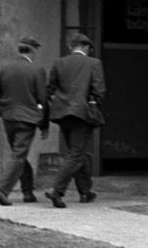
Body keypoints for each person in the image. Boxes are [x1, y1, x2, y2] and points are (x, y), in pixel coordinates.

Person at [43, 32, 105, 208]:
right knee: (76, 154)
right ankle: (57, 191)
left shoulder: (59, 62)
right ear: (86, 47)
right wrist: (95, 104)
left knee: (77, 152)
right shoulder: (94, 63)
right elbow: (99, 90)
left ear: (71, 47)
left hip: (62, 113)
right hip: (82, 113)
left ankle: (85, 191)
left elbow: (50, 89)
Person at [0, 35, 50, 206]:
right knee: (18, 155)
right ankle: (2, 189)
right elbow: (43, 100)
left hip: (8, 118)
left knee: (19, 154)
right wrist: (44, 123)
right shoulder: (37, 70)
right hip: (28, 119)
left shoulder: (5, 68)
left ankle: (28, 192)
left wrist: (3, 112)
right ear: (32, 50)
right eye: (35, 50)